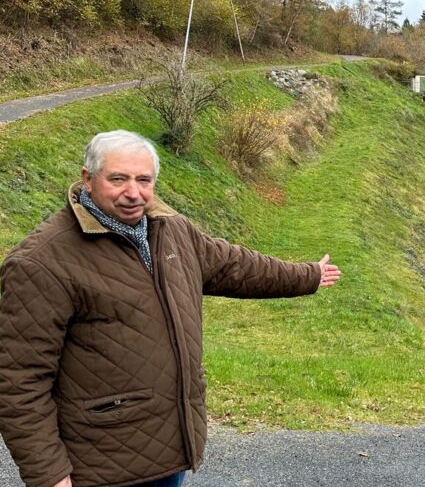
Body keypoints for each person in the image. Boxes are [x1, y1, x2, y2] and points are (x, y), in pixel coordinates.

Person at [0, 130, 341, 487]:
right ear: (88, 179)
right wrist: (50, 476)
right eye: (118, 179)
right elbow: (18, 382)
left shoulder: (171, 230)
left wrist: (308, 276)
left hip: (167, 451)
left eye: (143, 180)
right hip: (99, 467)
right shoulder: (41, 262)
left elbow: (235, 266)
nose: (133, 193)